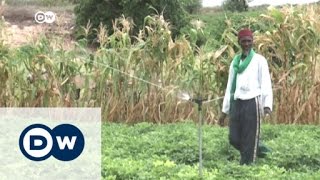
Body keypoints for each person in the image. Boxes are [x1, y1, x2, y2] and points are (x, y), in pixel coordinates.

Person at [219, 28, 273, 165]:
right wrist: (224, 111)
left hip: (252, 102)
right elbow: (230, 86)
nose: (247, 44)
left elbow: (266, 83)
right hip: (237, 103)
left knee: (249, 137)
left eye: (249, 41)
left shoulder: (260, 60)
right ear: (239, 42)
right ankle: (258, 148)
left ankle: (246, 167)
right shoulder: (235, 63)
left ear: (253, 42)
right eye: (244, 41)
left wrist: (267, 105)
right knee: (234, 138)